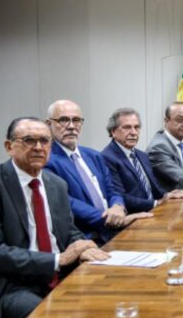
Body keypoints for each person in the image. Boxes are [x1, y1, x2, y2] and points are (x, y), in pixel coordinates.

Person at [0, 117, 109, 318]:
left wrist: (84, 247)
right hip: (9, 284)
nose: (38, 147)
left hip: (58, 274)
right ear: (9, 146)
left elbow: (68, 230)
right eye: (29, 140)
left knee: (105, 304)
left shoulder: (56, 184)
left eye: (44, 141)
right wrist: (58, 260)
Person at [45, 99, 150, 243]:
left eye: (76, 120)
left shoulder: (93, 155)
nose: (71, 126)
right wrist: (110, 219)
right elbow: (67, 202)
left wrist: (118, 206)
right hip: (86, 237)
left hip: (114, 230)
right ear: (49, 124)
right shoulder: (47, 161)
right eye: (63, 120)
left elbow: (112, 189)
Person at [102, 108, 183, 213]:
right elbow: (120, 197)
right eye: (127, 127)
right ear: (113, 131)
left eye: (136, 127)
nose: (133, 132)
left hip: (154, 212)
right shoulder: (107, 158)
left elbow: (154, 187)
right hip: (133, 217)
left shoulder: (142, 155)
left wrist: (167, 195)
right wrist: (155, 203)